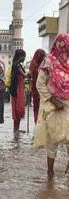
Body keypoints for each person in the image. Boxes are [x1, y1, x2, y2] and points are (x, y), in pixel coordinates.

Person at [34, 33, 69, 176]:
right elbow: (40, 84)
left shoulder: (68, 62)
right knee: (53, 140)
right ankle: (50, 174)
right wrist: (53, 100)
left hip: (67, 106)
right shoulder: (49, 61)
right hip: (54, 106)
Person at [10, 49, 27, 132]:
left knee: (17, 111)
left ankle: (16, 130)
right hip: (17, 90)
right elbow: (24, 75)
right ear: (20, 56)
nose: (24, 58)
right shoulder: (17, 66)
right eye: (24, 56)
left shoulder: (17, 65)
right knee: (18, 110)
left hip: (18, 90)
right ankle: (16, 130)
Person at [29, 49, 46, 123]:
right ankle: (38, 124)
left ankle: (39, 124)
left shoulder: (35, 63)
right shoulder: (35, 64)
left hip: (38, 89)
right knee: (38, 108)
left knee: (39, 108)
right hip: (38, 89)